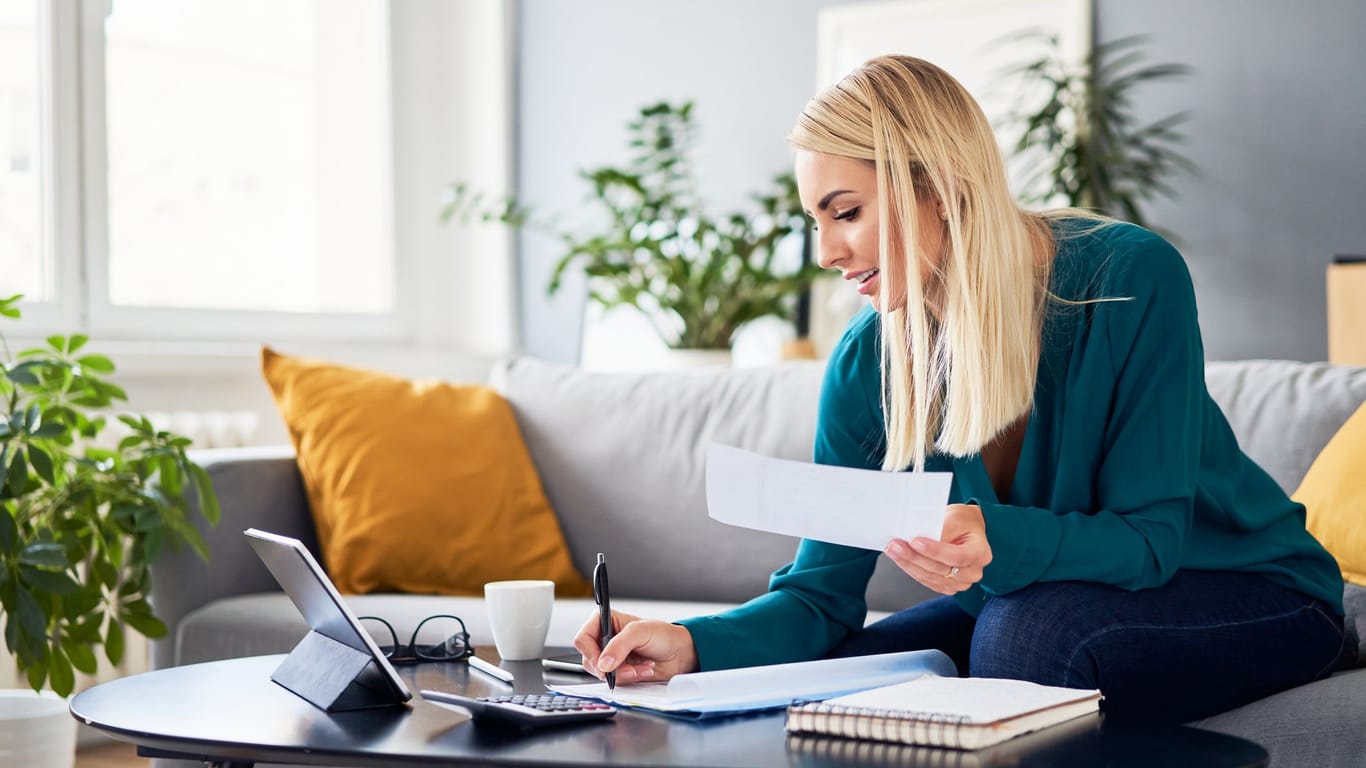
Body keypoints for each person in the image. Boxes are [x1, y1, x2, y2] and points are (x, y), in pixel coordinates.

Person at [573, 54, 1350, 722]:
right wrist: (692, 644)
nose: (825, 251)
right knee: (838, 681)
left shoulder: (1127, 278)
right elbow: (820, 599)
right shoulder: (868, 362)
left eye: (845, 212)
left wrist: (994, 536)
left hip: (1246, 589)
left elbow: (1151, 542)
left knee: (1023, 636)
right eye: (816, 220)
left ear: (938, 188)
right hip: (1037, 600)